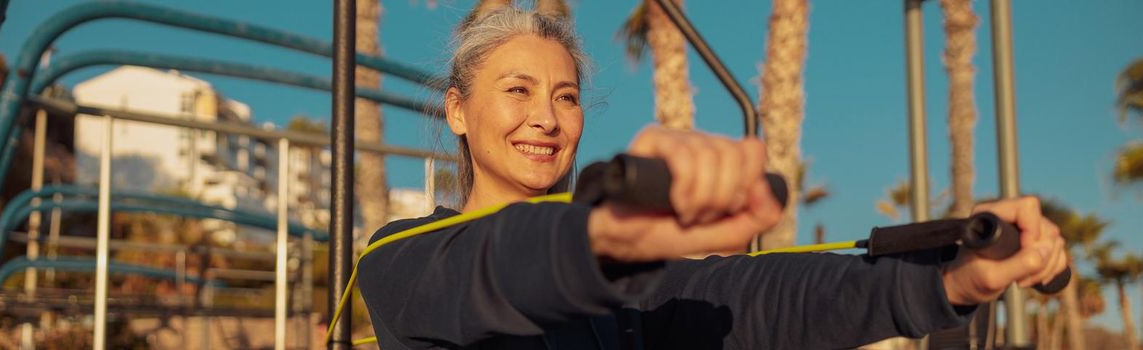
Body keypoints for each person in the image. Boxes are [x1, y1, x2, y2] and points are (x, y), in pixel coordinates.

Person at [358, 5, 1068, 349]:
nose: (546, 118)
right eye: (517, 91)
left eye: (565, 97)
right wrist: (604, 233)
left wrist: (948, 281)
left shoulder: (630, 289)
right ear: (456, 110)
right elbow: (503, 266)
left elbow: (759, 296)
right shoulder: (402, 259)